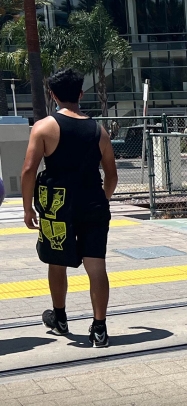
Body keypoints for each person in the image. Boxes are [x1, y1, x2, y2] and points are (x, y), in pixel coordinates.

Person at [20, 68, 117, 347]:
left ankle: (60, 318)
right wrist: (103, 200)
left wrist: (28, 209)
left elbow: (28, 170)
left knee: (56, 260)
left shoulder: (44, 127)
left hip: (57, 205)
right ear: (81, 94)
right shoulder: (99, 131)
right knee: (96, 265)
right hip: (93, 203)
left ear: (52, 95)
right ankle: (99, 329)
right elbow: (112, 175)